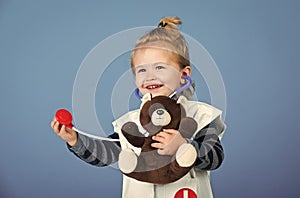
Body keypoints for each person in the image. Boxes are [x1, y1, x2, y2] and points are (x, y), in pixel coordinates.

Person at [50, 16, 226, 198]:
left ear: (183, 74)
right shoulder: (131, 122)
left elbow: (215, 158)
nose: (149, 76)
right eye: (142, 70)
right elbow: (107, 154)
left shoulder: (202, 116)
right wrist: (75, 140)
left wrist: (184, 146)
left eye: (159, 67)